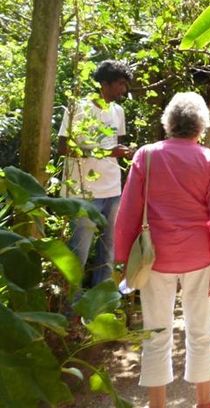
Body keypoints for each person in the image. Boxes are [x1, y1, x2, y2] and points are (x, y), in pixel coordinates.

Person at [114, 92, 210, 408]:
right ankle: (204, 399)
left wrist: (122, 259)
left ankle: (157, 404)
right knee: (200, 327)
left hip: (154, 258)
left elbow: (128, 212)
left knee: (156, 331)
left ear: (169, 123)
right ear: (201, 126)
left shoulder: (147, 156)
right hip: (199, 257)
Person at [58, 59, 134, 287]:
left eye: (125, 84)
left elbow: (116, 146)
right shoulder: (78, 108)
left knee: (109, 249)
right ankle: (71, 302)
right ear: (105, 83)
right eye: (120, 84)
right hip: (84, 192)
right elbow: (63, 148)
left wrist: (126, 153)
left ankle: (102, 298)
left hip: (112, 189)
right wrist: (107, 152)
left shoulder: (118, 111)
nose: (124, 89)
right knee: (78, 252)